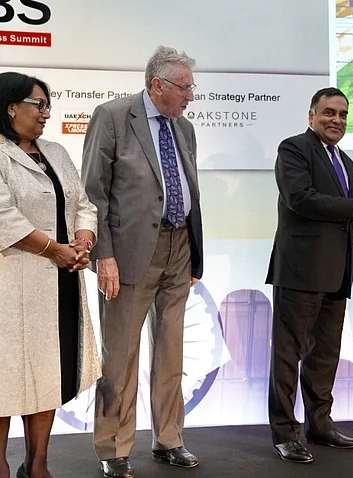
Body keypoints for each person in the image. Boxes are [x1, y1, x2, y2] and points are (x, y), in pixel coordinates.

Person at [82, 45, 204, 477]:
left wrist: (193, 255)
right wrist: (104, 255)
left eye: (191, 87)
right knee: (120, 356)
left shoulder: (184, 128)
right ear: (157, 84)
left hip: (178, 248)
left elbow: (187, 189)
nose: (191, 96)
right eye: (184, 87)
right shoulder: (113, 117)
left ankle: (169, 438)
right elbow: (93, 193)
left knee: (171, 352)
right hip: (129, 254)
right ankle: (113, 447)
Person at [266, 87, 353, 464]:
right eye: (329, 112)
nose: (337, 120)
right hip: (300, 271)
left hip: (337, 271)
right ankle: (285, 433)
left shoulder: (345, 161)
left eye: (343, 114)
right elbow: (300, 198)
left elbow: (346, 215)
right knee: (288, 355)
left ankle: (319, 424)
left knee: (325, 356)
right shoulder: (294, 149)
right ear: (311, 115)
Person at [0, 72, 100, 478]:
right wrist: (54, 250)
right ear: (11, 107)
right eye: (38, 104)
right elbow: (3, 216)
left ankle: (37, 466)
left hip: (59, 285)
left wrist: (82, 241)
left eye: (47, 106)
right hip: (9, 286)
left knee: (48, 373)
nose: (45, 113)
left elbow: (83, 204)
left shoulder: (56, 152)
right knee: (5, 377)